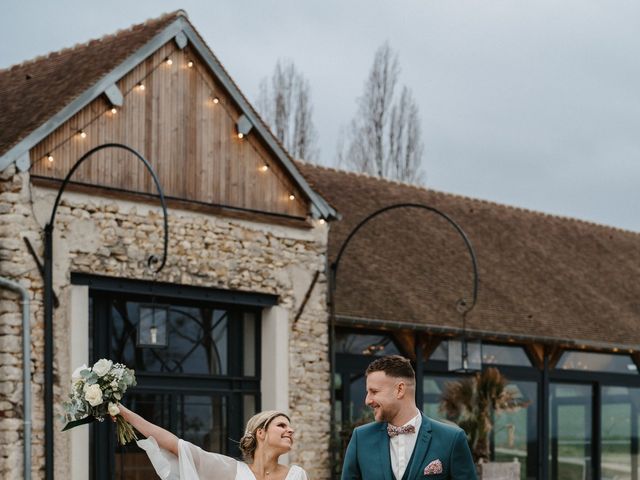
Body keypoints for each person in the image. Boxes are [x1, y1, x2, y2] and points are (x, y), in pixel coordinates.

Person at [341, 355, 477, 479]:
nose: (367, 400)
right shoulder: (361, 438)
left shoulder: (452, 439)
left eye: (374, 391)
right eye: (367, 392)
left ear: (400, 390)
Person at [118, 405, 308, 480]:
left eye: (290, 427)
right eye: (281, 425)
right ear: (261, 433)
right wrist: (125, 413)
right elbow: (175, 445)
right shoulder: (230, 471)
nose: (289, 430)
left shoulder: (296, 475)